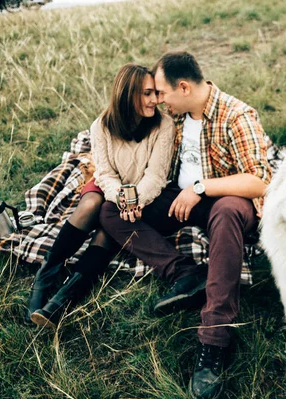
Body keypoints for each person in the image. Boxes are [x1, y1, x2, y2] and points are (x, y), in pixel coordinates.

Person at [99, 51, 272, 399]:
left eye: (161, 93)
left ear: (182, 87)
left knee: (224, 214)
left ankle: (214, 339)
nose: (158, 101)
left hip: (226, 200)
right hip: (180, 199)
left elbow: (260, 181)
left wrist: (200, 188)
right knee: (110, 212)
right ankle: (183, 274)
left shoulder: (236, 115)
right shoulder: (174, 117)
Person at [26, 63, 175, 328]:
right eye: (147, 93)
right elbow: (104, 173)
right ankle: (47, 273)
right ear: (128, 94)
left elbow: (156, 175)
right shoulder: (102, 126)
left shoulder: (164, 125)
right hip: (109, 187)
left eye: (155, 93)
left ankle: (62, 299)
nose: (155, 100)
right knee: (91, 203)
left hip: (142, 192)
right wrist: (120, 198)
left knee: (108, 231)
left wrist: (134, 200)